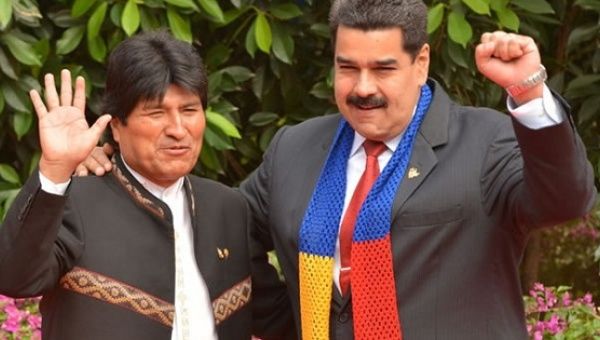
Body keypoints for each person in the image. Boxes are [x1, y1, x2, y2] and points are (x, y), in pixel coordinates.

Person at [81, 0, 597, 339]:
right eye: (347, 67)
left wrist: (529, 98)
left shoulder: (484, 140)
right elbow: (218, 232)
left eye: (383, 68)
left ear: (421, 63)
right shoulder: (296, 148)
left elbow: (565, 201)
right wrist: (110, 167)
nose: (362, 87)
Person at [0, 31, 292, 340]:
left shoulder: (228, 208)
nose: (178, 130)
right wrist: (56, 168)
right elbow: (15, 277)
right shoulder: (76, 202)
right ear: (116, 125)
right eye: (156, 113)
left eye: (189, 110)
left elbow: (278, 317)